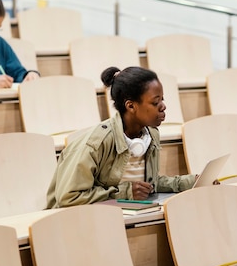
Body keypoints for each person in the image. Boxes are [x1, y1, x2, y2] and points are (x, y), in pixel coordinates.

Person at [46, 66, 196, 208]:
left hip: (117, 214)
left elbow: (150, 184)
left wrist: (191, 182)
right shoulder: (96, 143)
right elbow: (69, 197)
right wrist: (126, 192)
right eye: (156, 102)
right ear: (130, 106)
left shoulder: (151, 134)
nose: (163, 106)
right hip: (75, 221)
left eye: (163, 99)